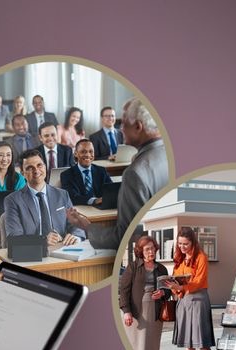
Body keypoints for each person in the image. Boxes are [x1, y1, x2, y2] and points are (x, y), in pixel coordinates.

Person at [67, 98, 168, 249]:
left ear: (138, 127)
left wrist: (87, 226)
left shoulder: (135, 173)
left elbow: (127, 237)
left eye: (123, 123)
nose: (120, 128)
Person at [163, 227, 215, 350]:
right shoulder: (179, 259)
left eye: (185, 244)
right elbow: (175, 281)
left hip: (198, 300)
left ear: (193, 242)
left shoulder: (201, 257)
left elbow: (199, 281)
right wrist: (173, 287)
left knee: (202, 342)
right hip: (183, 302)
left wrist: (181, 288)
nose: (182, 247)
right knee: (188, 343)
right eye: (179, 244)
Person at [2, 150, 83, 245]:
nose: (36, 171)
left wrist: (76, 236)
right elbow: (14, 238)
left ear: (45, 167)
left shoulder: (62, 195)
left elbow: (76, 224)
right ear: (22, 173)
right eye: (30, 168)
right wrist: (43, 241)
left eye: (39, 165)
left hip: (62, 249)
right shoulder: (12, 200)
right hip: (33, 255)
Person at [118, 236, 168, 350]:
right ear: (140, 251)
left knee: (150, 344)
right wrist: (126, 311)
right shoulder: (133, 267)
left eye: (152, 248)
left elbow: (168, 290)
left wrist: (163, 294)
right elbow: (124, 291)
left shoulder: (162, 268)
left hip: (154, 311)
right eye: (147, 249)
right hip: (135, 312)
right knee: (134, 344)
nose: (151, 252)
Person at [60, 139, 113, 207]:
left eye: (91, 151)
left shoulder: (101, 171)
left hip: (100, 209)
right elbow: (72, 197)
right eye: (83, 152)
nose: (88, 155)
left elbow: (111, 191)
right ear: (76, 154)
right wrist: (94, 201)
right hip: (81, 210)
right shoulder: (67, 175)